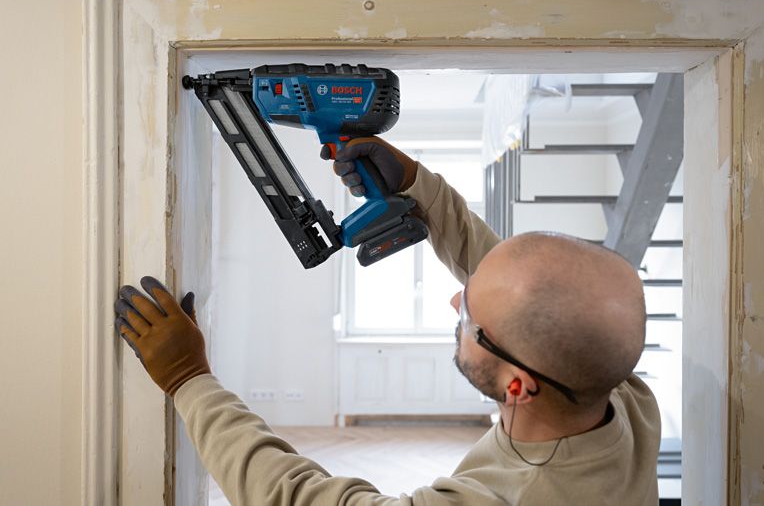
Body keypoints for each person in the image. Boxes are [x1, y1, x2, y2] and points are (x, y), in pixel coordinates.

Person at [114, 137, 661, 505]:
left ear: (518, 386)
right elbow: (522, 286)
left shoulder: (517, 496)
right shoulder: (620, 395)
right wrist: (419, 184)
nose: (455, 305)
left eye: (471, 318)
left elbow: (297, 498)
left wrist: (188, 379)